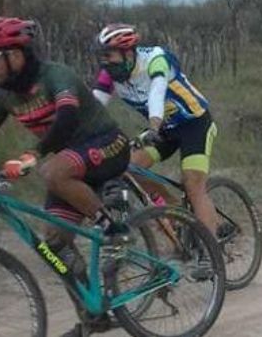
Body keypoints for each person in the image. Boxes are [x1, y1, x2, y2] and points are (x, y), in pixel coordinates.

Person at [0, 17, 131, 335]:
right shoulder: (1, 94)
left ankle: (115, 232)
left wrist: (33, 154)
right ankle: (93, 316)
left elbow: (66, 119)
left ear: (16, 55)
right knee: (54, 243)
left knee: (51, 171)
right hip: (70, 164)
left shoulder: (55, 75)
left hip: (107, 145)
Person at [91, 24, 223, 236]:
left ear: (127, 53)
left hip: (194, 124)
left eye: (109, 55)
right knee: (129, 168)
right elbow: (93, 107)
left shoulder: (155, 59)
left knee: (193, 185)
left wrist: (153, 126)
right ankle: (175, 209)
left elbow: (157, 92)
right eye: (102, 57)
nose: (105, 62)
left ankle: (210, 249)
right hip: (164, 129)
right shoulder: (110, 75)